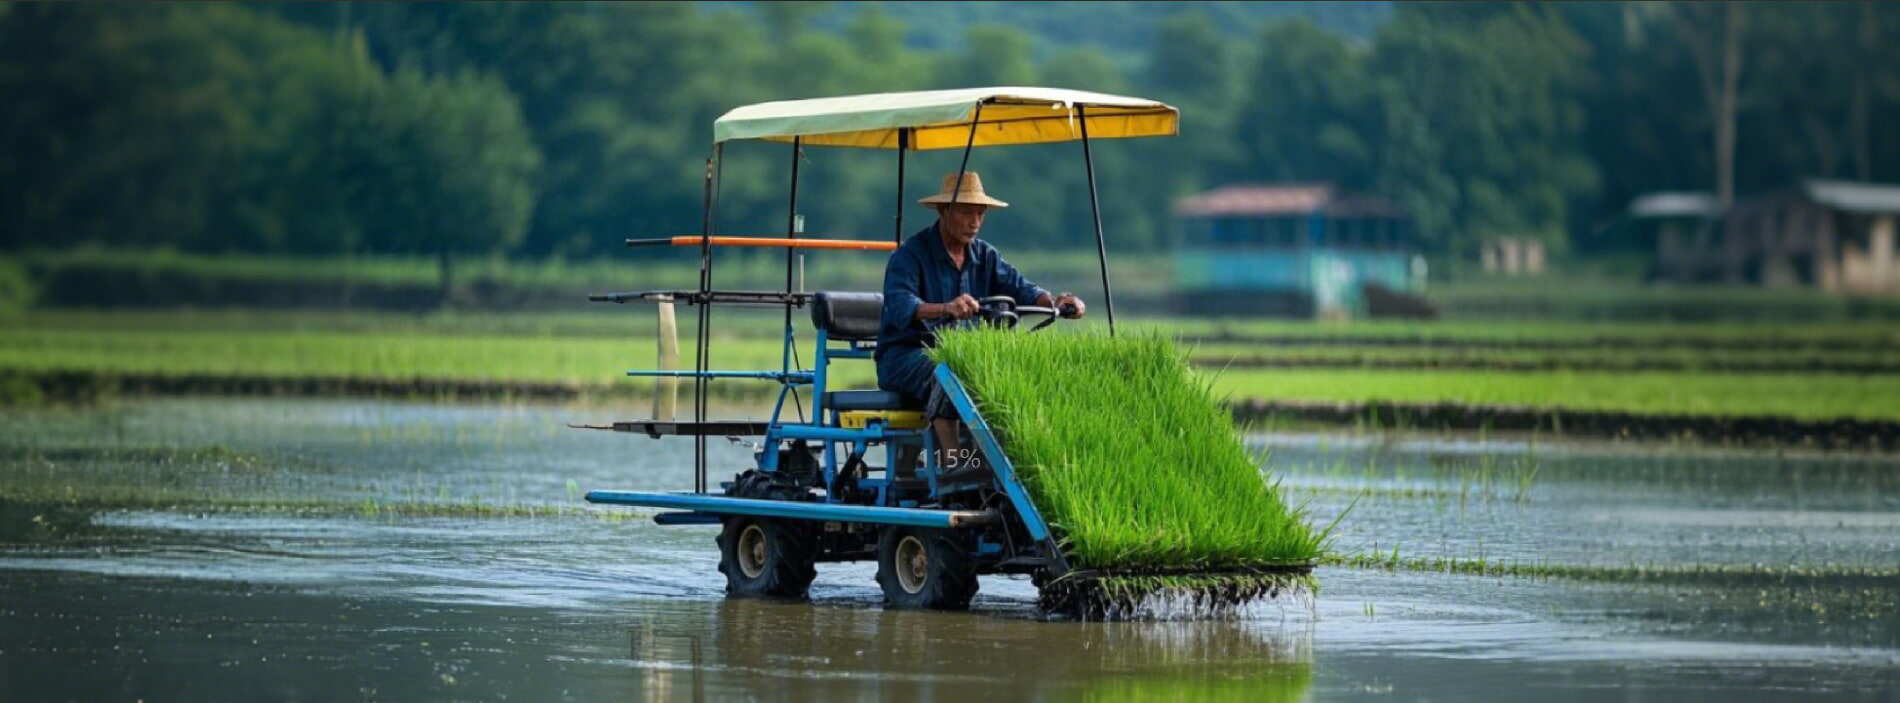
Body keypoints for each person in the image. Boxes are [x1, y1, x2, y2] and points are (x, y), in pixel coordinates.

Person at [876, 171, 1085, 479]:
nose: (974, 221)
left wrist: (1056, 304)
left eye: (980, 213)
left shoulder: (985, 255)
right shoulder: (910, 255)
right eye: (966, 213)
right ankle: (955, 465)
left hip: (963, 355)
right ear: (944, 211)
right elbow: (900, 305)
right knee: (951, 369)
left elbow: (1023, 288)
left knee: (1012, 368)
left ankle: (1013, 457)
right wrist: (946, 308)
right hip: (907, 355)